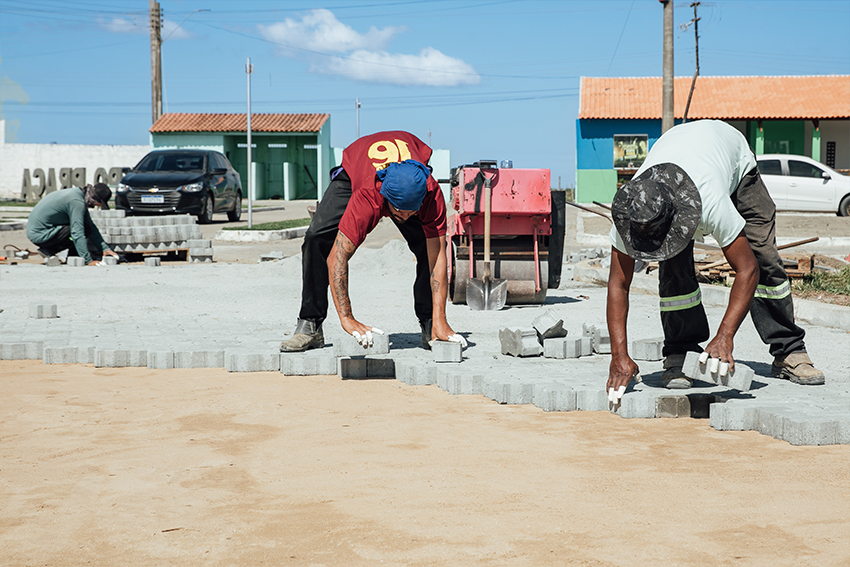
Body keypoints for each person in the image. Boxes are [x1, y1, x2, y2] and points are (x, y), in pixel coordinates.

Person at [606, 119, 824, 395]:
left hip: (732, 156)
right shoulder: (632, 212)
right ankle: (681, 350)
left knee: (761, 254)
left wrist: (725, 336)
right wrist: (618, 355)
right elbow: (618, 284)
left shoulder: (711, 202)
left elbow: (748, 270)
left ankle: (789, 349)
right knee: (673, 265)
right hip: (679, 146)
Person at [280, 130, 466, 352]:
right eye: (400, 213)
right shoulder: (368, 196)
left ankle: (432, 323)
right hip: (357, 171)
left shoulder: (431, 193)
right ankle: (310, 323)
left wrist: (441, 318)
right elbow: (337, 257)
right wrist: (347, 317)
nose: (406, 218)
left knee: (429, 250)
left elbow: (438, 257)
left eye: (412, 213)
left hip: (408, 177)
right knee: (316, 237)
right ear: (386, 200)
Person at [26, 183, 118, 266]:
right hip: (40, 234)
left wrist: (105, 249)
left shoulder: (79, 195)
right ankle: (49, 250)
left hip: (42, 230)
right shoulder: (77, 202)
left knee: (86, 227)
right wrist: (88, 260)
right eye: (99, 204)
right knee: (81, 229)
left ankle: (72, 257)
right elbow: (77, 232)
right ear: (95, 199)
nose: (98, 206)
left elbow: (91, 226)